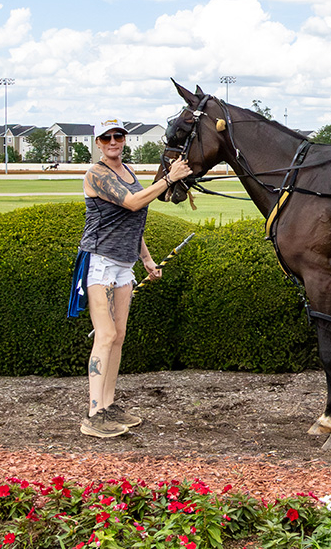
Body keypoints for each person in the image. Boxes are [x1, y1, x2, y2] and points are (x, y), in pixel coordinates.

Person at [74, 118, 191, 438]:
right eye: (106, 137)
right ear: (97, 143)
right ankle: (93, 414)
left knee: (119, 334)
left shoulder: (127, 173)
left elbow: (133, 220)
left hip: (124, 264)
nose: (113, 141)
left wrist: (148, 259)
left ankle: (108, 406)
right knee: (105, 335)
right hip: (100, 262)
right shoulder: (96, 174)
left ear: (125, 139)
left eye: (118, 136)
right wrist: (170, 178)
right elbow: (133, 202)